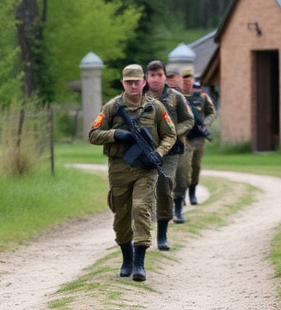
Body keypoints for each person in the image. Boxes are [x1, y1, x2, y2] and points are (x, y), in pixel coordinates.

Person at [89, 64, 175, 281]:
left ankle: (139, 263)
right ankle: (126, 258)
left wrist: (159, 152)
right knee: (121, 216)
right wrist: (115, 134)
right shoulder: (111, 108)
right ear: (123, 83)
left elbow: (170, 134)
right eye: (129, 82)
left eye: (137, 81)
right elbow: (93, 135)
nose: (134, 85)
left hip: (146, 169)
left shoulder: (155, 107)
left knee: (141, 208)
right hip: (119, 169)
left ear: (144, 82)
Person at [144, 61, 193, 250]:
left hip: (171, 151)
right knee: (143, 190)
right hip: (146, 151)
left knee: (165, 186)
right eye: (152, 75)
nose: (156, 79)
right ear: (146, 77)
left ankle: (162, 234)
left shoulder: (176, 97)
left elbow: (189, 120)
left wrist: (173, 132)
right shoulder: (140, 97)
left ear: (165, 76)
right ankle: (141, 233)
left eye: (159, 75)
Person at [180, 66, 217, 205]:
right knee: (183, 168)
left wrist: (205, 124)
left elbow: (211, 113)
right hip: (183, 138)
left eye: (188, 78)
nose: (186, 81)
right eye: (183, 78)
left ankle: (192, 192)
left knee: (196, 166)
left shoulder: (201, 96)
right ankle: (180, 196)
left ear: (193, 80)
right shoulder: (176, 96)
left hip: (198, 138)